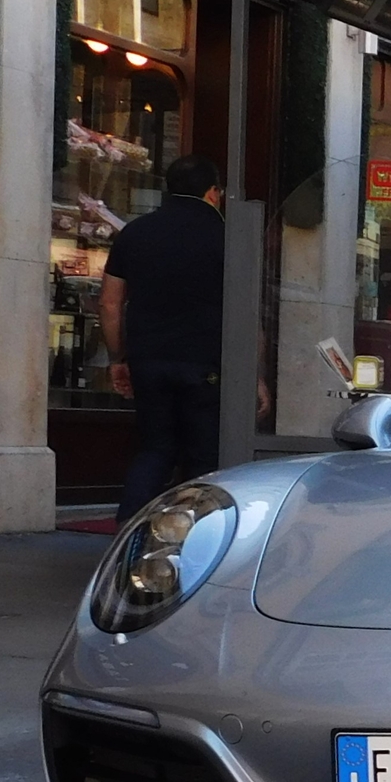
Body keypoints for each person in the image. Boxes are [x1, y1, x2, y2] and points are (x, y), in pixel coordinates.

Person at [101, 154, 244, 519]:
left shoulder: (135, 232)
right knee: (203, 457)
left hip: (149, 360)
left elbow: (110, 303)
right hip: (205, 362)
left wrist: (119, 358)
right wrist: (253, 374)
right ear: (213, 193)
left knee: (154, 450)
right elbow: (245, 309)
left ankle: (129, 534)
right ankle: (195, 536)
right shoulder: (226, 237)